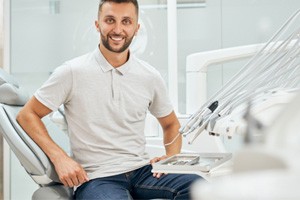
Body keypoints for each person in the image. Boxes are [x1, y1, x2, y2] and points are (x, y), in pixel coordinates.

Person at [16, 0, 202, 199]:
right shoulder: (72, 72)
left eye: (126, 21)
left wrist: (169, 159)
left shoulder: (150, 76)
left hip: (143, 171)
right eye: (110, 20)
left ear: (136, 28)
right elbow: (28, 114)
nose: (118, 29)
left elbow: (171, 124)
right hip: (96, 178)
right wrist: (60, 157)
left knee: (200, 188)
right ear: (97, 24)